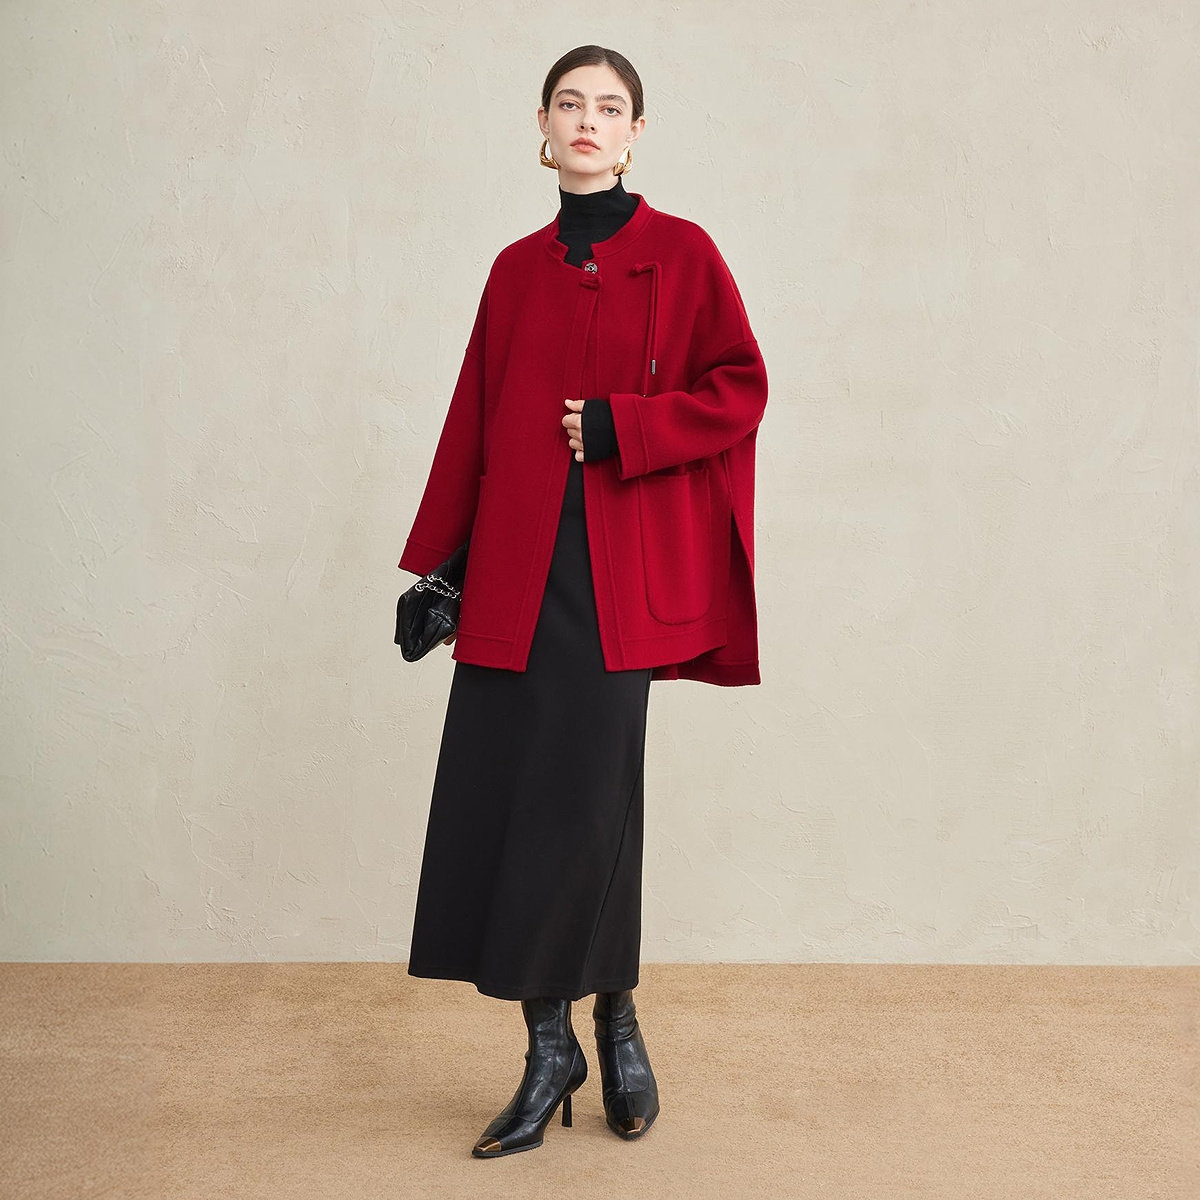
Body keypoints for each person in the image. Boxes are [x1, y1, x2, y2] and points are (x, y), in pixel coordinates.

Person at [396, 45, 769, 1158]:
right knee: (510, 801)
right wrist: (442, 568)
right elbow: (474, 418)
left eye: (611, 107)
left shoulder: (682, 253)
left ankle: (612, 1016)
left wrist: (625, 427)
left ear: (636, 132)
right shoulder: (515, 270)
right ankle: (553, 1039)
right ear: (544, 125)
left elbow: (741, 387)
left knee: (592, 806)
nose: (589, 121)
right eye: (571, 104)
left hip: (615, 580)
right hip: (516, 574)